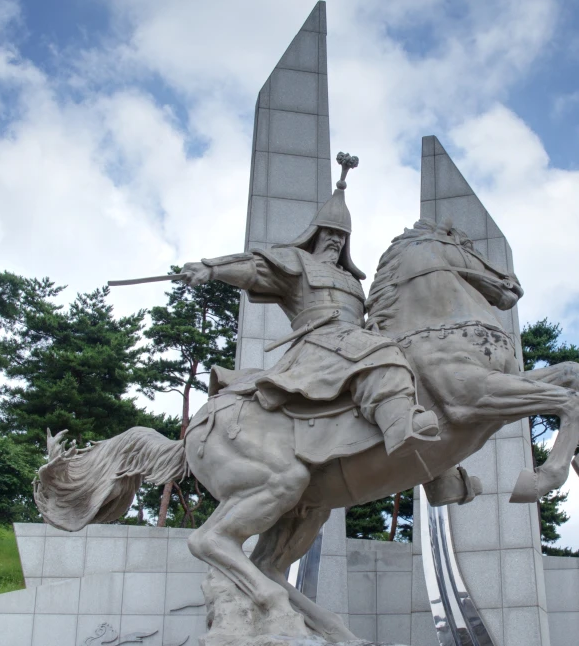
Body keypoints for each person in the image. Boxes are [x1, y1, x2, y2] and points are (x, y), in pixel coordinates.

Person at [180, 154, 440, 457]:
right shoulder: (298, 262)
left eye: (342, 237)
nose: (336, 241)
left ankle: (439, 473)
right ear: (315, 234)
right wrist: (212, 269)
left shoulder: (352, 281)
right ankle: (399, 428)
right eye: (330, 233)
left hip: (354, 342)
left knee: (417, 365)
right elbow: (255, 268)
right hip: (318, 345)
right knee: (380, 353)